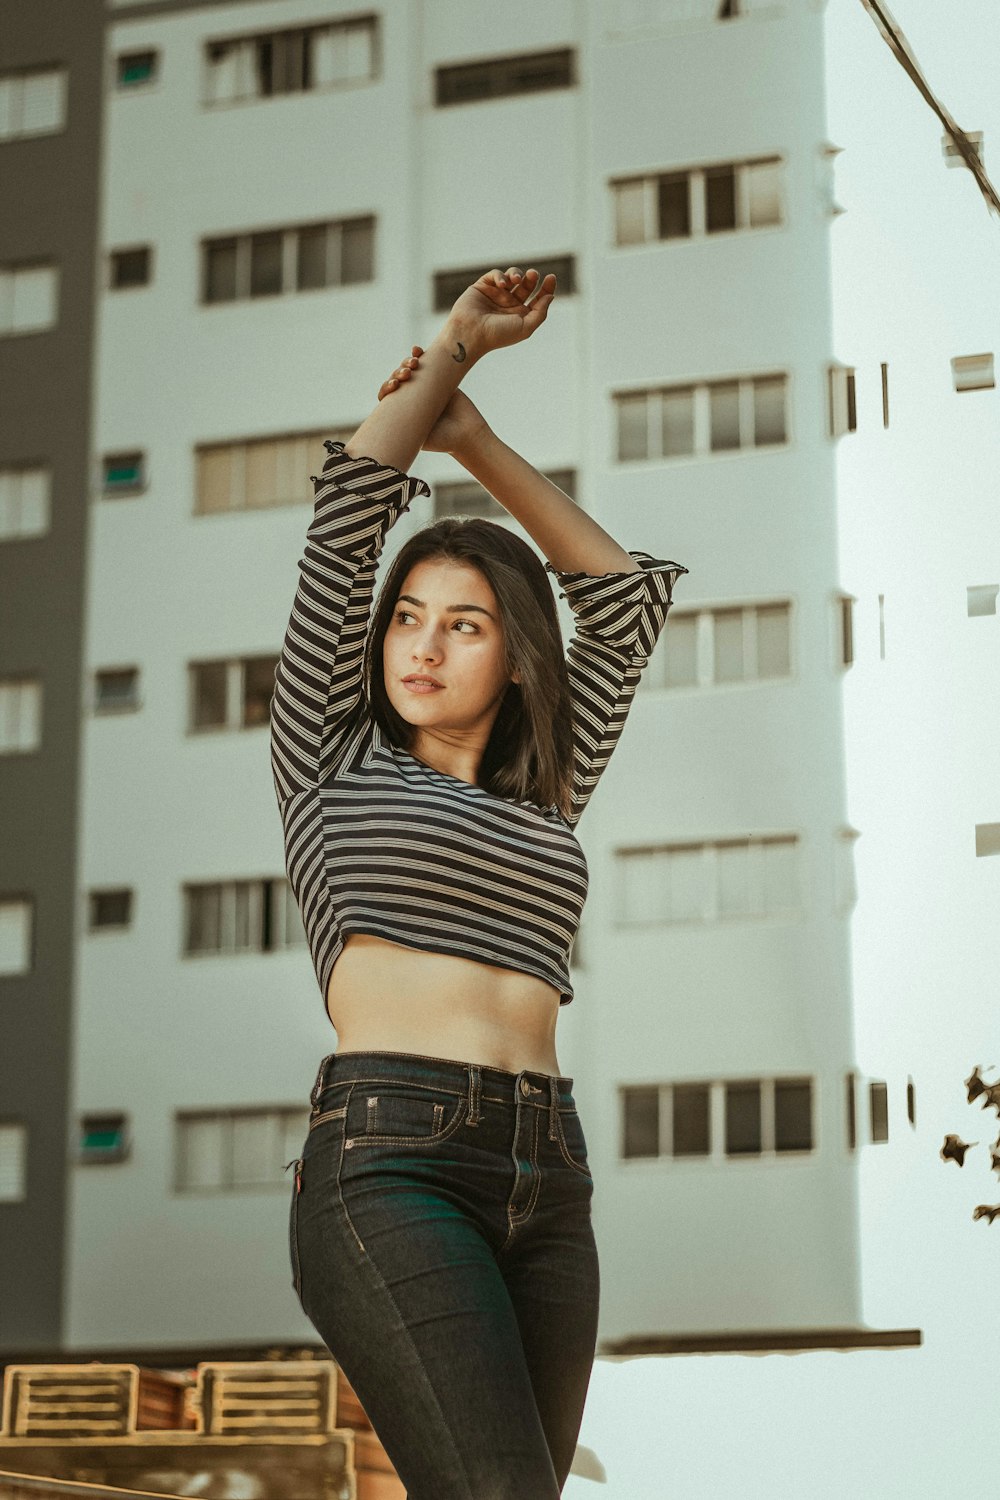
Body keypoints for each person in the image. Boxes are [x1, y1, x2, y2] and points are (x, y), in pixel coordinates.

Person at [272, 266, 688, 1500]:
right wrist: (451, 352)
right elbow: (349, 513)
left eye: (463, 623)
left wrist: (476, 443)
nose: (422, 644)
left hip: (548, 1173)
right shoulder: (325, 758)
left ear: (514, 656)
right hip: (389, 1158)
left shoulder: (545, 787)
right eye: (406, 617)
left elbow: (620, 601)